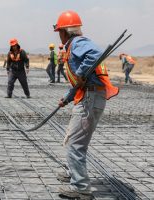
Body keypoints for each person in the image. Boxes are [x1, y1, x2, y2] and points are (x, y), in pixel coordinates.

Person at [54, 10, 119, 199]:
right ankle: (73, 173)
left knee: (75, 144)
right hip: (88, 96)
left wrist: (81, 73)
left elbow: (96, 54)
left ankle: (81, 188)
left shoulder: (78, 43)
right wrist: (67, 98)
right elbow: (80, 80)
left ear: (64, 31)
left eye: (59, 30)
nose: (59, 34)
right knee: (74, 138)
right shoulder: (73, 45)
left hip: (90, 98)